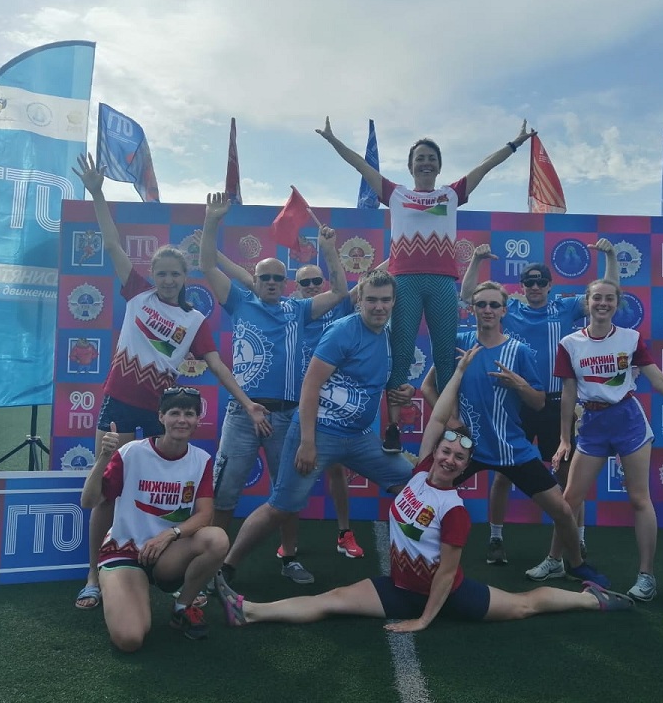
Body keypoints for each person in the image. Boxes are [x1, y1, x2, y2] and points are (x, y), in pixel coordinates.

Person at [213, 347, 633, 631]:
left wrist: (424, 620)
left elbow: (447, 575)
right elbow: (438, 417)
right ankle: (248, 610)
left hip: (450, 597)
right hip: (399, 589)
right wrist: (460, 372)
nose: (449, 460)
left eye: (458, 459)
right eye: (445, 452)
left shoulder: (454, 510)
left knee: (525, 605)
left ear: (466, 467)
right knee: (332, 598)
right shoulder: (418, 473)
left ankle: (591, 599)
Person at [71, 155, 269, 611]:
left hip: (158, 412)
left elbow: (218, 366)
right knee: (106, 493)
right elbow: (112, 242)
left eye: (174, 274)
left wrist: (248, 403)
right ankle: (93, 575)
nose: (166, 280)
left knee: (157, 492)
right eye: (161, 273)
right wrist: (98, 192)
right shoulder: (136, 292)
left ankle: (156, 561)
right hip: (119, 405)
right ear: (153, 275)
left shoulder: (194, 320)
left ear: (185, 278)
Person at [316, 117, 536, 455]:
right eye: (420, 158)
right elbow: (361, 165)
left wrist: (514, 144)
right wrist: (334, 140)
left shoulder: (451, 194)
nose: (426, 162)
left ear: (439, 165)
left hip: (442, 282)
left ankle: (452, 425)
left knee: (446, 355)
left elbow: (485, 166)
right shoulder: (396, 194)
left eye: (431, 158)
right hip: (404, 280)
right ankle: (393, 427)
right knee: (401, 353)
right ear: (411, 166)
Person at [539, 278, 663, 601]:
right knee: (569, 499)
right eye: (597, 298)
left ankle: (646, 576)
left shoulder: (630, 338)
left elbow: (658, 379)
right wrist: (564, 439)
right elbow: (569, 392)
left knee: (639, 499)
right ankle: (555, 560)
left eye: (609, 298)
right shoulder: (570, 343)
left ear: (617, 304)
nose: (603, 303)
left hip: (628, 420)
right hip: (592, 424)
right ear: (587, 302)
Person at [217, 270, 416, 585]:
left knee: (413, 485)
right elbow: (310, 385)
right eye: (372, 300)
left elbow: (384, 381)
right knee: (281, 507)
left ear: (393, 302)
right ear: (360, 301)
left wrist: (405, 391)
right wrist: (307, 442)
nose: (379, 306)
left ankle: (417, 559)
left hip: (359, 437)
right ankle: (226, 567)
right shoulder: (343, 330)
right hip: (320, 433)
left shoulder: (389, 335)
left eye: (385, 300)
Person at [200, 192, 349, 583]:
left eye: (276, 278)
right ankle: (212, 563)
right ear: (255, 281)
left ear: (286, 283)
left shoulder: (298, 309)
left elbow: (339, 292)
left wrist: (329, 251)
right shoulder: (239, 302)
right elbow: (206, 264)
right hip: (243, 413)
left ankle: (289, 556)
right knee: (225, 494)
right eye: (263, 277)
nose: (269, 282)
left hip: (286, 417)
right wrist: (212, 221)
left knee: (287, 494)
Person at [422, 281, 608, 586]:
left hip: (511, 449)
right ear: (472, 309)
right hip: (467, 447)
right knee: (424, 496)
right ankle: (418, 559)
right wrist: (453, 421)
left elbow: (538, 402)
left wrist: (519, 385)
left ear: (504, 311)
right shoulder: (459, 344)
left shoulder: (518, 351)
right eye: (481, 304)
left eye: (494, 305)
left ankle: (576, 564)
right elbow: (428, 387)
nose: (487, 310)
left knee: (562, 511)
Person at [461, 241, 618, 566]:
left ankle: (578, 539)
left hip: (557, 405)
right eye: (529, 283)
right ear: (521, 287)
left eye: (540, 282)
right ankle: (495, 537)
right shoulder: (510, 311)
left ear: (550, 285)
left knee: (567, 478)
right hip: (518, 403)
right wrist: (475, 260)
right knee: (503, 474)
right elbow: (467, 297)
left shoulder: (565, 308)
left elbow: (606, 293)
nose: (535, 288)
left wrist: (611, 257)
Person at [80, 387, 230, 650]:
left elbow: (205, 514)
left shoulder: (201, 460)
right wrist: (104, 457)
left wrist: (169, 535)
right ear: (161, 417)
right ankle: (121, 588)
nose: (182, 420)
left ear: (197, 420)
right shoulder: (131, 452)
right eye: (174, 413)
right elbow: (89, 502)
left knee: (216, 539)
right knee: (129, 639)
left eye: (189, 414)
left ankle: (182, 607)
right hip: (125, 550)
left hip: (166, 553)